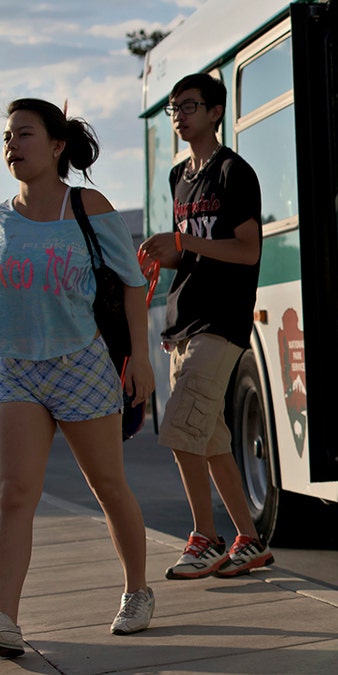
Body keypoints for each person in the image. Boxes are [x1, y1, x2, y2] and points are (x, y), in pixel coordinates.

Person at [0, 98, 156, 657]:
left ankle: (137, 591)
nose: (12, 145)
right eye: (7, 137)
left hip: (82, 366)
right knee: (15, 493)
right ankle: (6, 619)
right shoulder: (1, 220)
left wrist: (140, 357)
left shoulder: (86, 206)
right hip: (15, 371)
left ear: (57, 145)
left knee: (108, 487)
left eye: (24, 134)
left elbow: (133, 282)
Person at [139, 74, 273, 580]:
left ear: (216, 112)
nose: (179, 115)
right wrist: (166, 255)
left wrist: (186, 244)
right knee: (210, 440)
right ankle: (249, 541)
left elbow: (247, 250)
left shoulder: (234, 173)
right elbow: (194, 250)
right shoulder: (180, 176)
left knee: (179, 429)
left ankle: (205, 538)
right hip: (184, 324)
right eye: (174, 108)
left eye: (189, 106)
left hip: (221, 322)